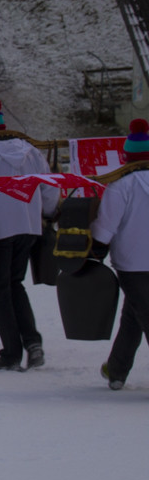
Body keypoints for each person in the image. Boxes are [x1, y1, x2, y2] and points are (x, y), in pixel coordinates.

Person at [0, 98, 58, 370]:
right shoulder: (32, 152)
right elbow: (50, 187)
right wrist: (50, 213)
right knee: (15, 284)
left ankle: (11, 353)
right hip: (29, 227)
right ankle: (33, 342)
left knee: (0, 289)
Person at [92, 119, 149, 390]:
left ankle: (117, 370)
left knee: (143, 312)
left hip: (133, 264)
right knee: (134, 315)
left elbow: (105, 229)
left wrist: (95, 250)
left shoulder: (120, 186)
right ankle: (116, 370)